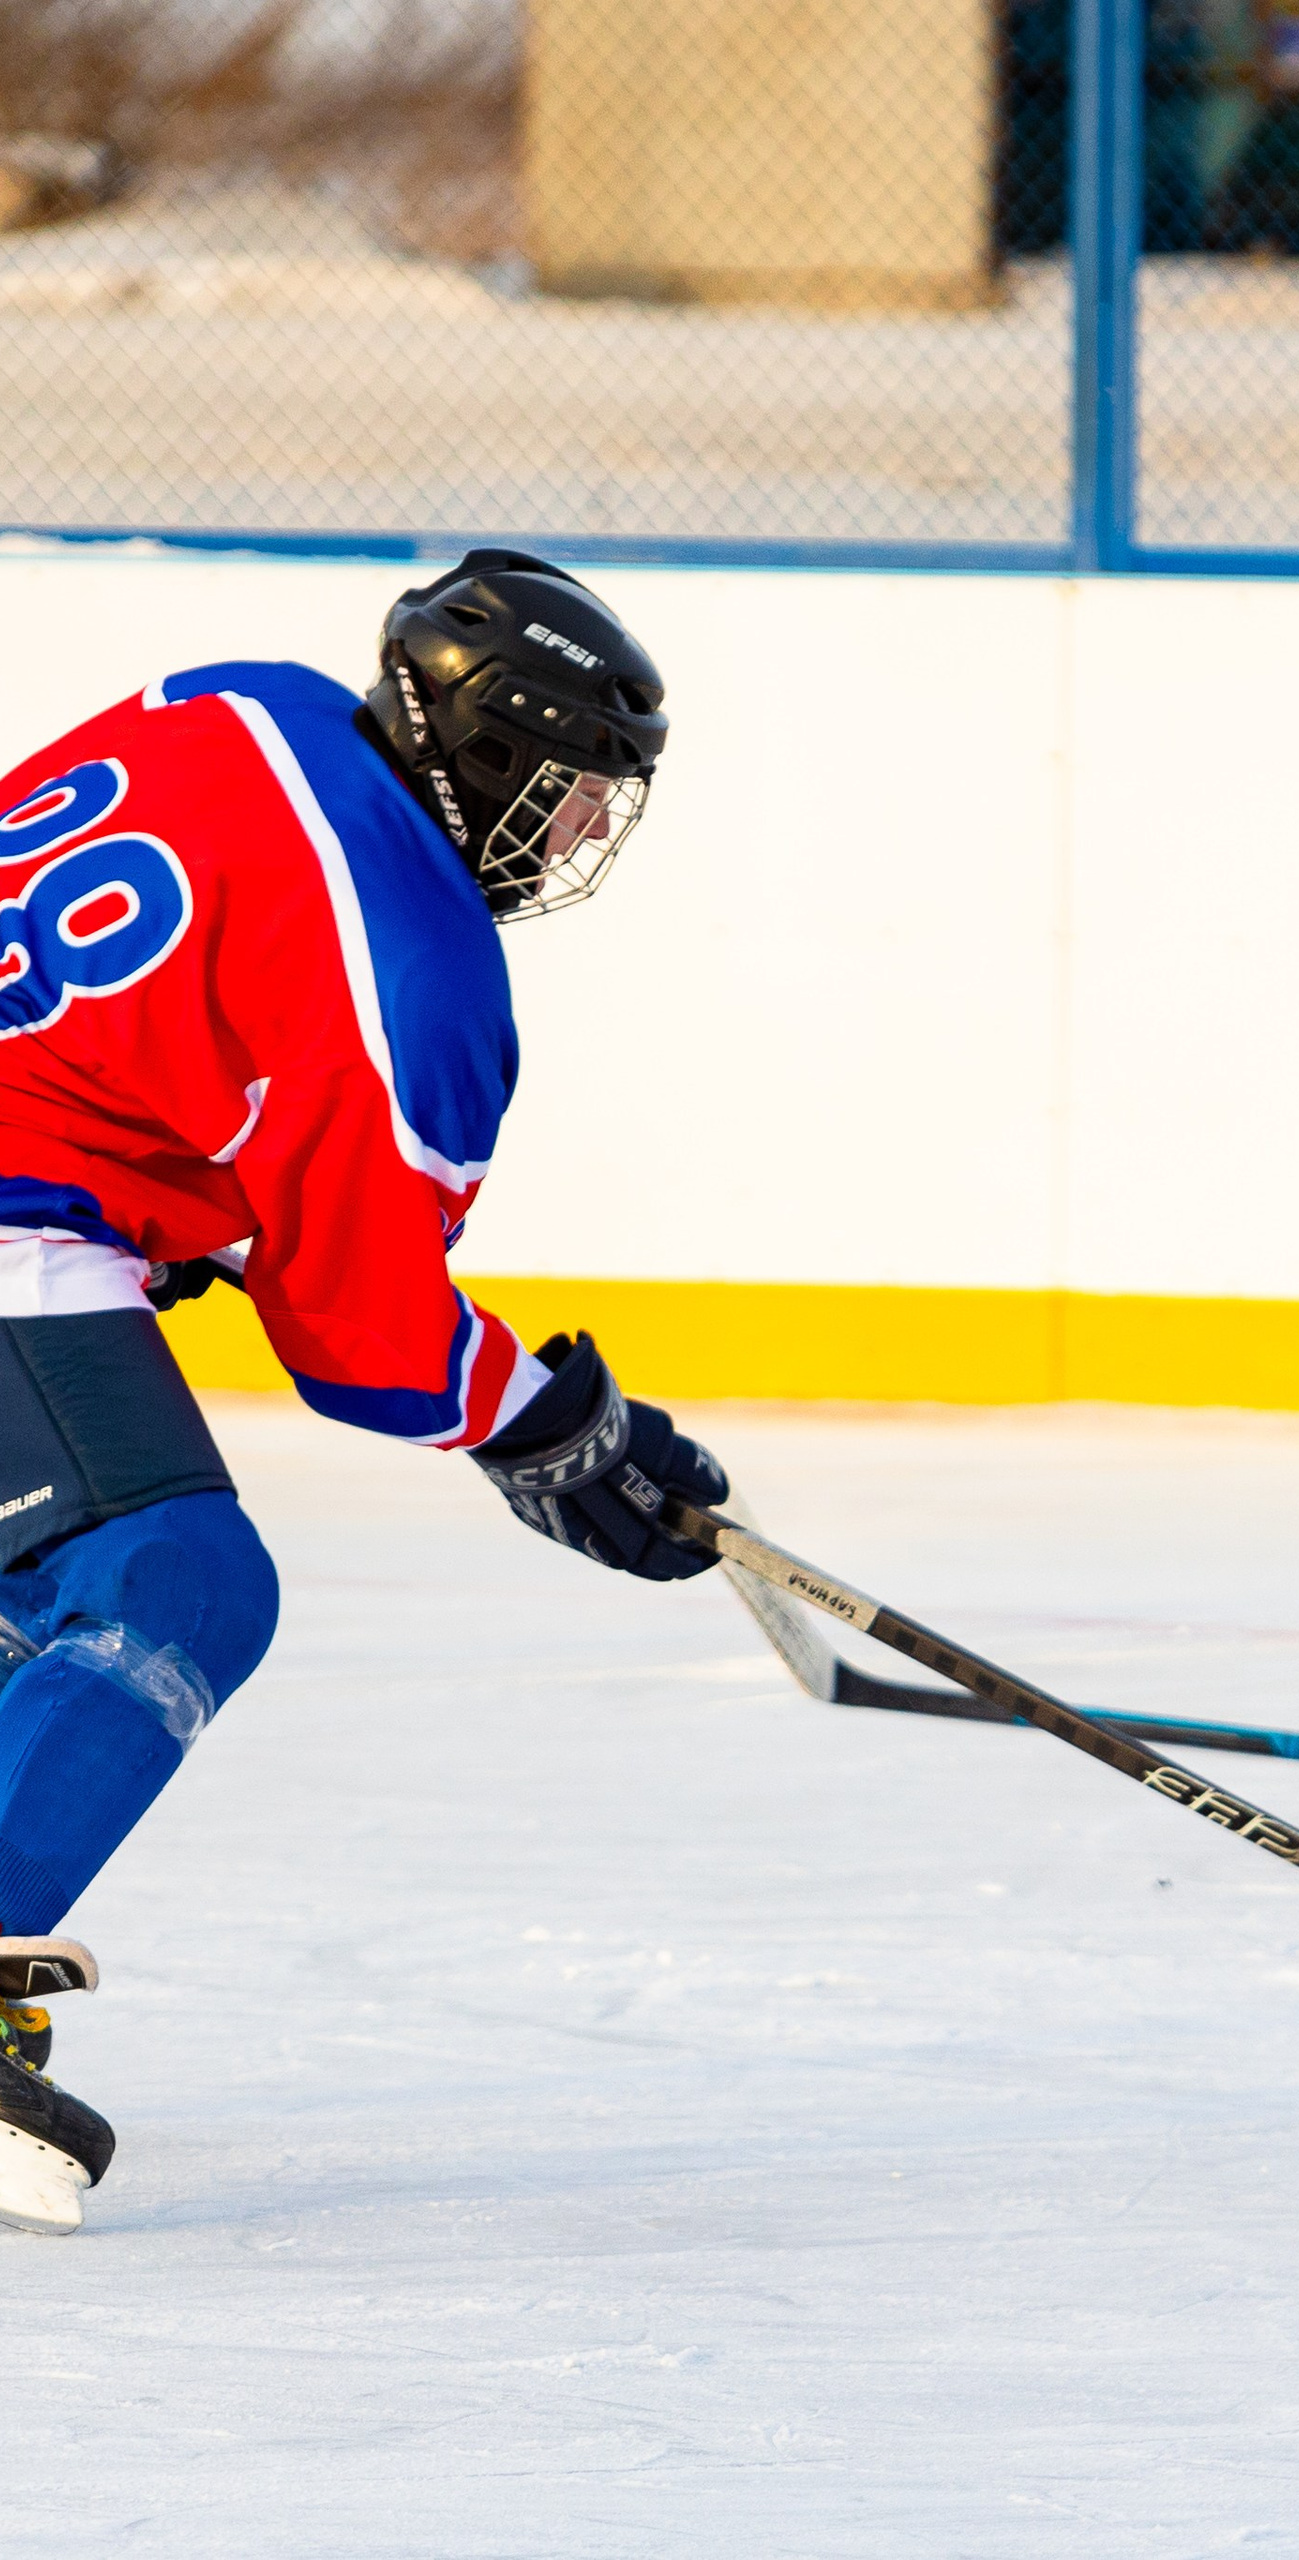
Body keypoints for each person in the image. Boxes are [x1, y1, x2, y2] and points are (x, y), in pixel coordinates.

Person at [0, 551, 731, 2234]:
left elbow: (130, 988)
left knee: (35, 1585)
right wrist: (563, 1433)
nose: (572, 842)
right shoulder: (420, 971)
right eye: (563, 798)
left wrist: (170, 1197)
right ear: (486, 756)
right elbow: (364, 1336)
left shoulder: (241, 702)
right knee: (171, 1584)